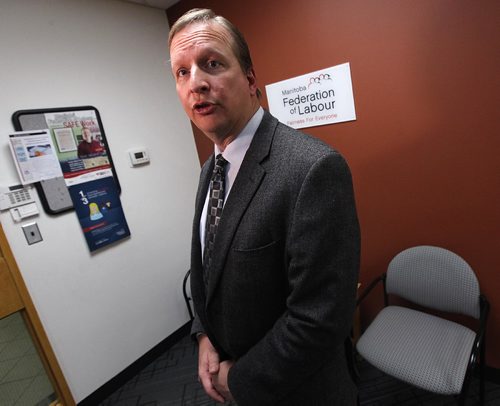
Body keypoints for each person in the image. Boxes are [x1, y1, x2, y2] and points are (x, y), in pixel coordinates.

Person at [169, 8, 360, 405]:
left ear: (251, 79)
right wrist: (203, 335)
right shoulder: (210, 169)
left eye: (211, 64)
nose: (196, 83)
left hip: (299, 391)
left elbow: (320, 318)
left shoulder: (313, 168)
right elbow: (209, 268)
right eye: (182, 72)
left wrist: (238, 378)